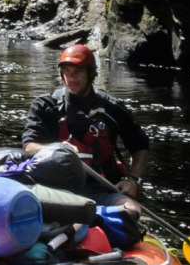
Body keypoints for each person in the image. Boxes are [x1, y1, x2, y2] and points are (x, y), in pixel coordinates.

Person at [22, 42, 149, 211]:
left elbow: (140, 146)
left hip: (101, 189)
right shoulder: (45, 106)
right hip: (54, 188)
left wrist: (133, 180)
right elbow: (29, 146)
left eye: (78, 72)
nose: (71, 78)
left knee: (131, 210)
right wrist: (57, 150)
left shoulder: (112, 108)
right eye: (67, 72)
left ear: (91, 73)